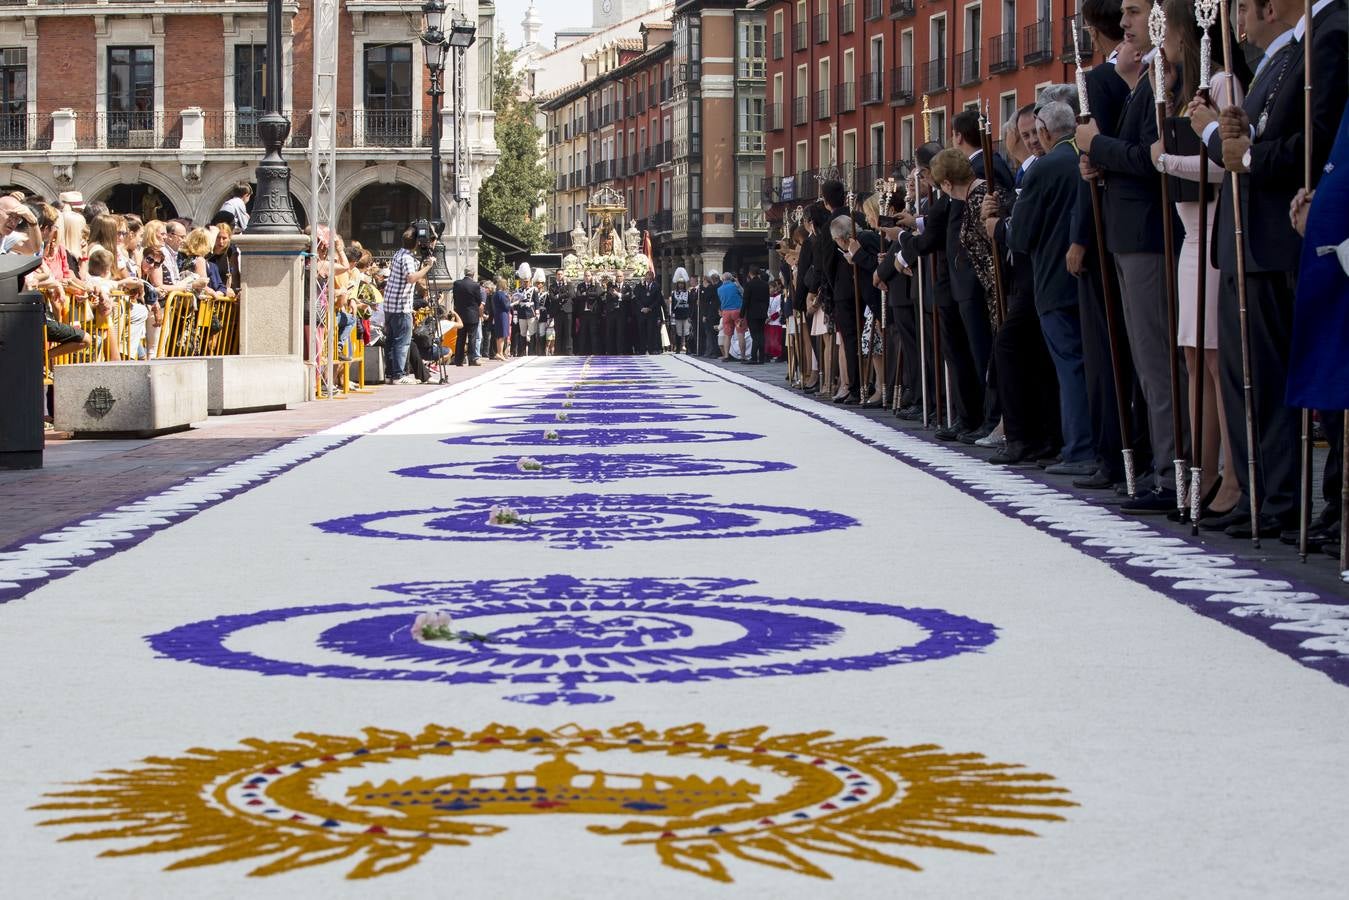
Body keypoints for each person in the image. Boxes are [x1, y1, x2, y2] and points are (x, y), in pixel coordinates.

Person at [1078, 0, 1186, 514]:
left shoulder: (1167, 73)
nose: (1123, 24)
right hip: (1132, 234)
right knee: (1149, 362)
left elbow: (1153, 154)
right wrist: (1099, 161)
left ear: (1161, 15)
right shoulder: (1149, 74)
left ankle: (1172, 472)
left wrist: (1097, 149)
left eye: (1133, 12)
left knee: (1157, 360)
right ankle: (1166, 465)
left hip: (1148, 233)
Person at [1151, 0, 1250, 518]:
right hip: (1190, 234)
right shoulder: (1179, 91)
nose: (1155, 38)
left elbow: (1224, 160)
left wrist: (1163, 160)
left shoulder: (1224, 85)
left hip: (1214, 231)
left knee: (1216, 360)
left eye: (1162, 29)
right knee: (1193, 358)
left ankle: (1232, 476)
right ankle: (1201, 472)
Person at [384, 225, 438, 382]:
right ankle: (399, 375)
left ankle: (390, 374)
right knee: (402, 342)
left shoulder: (399, 254)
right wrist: (428, 266)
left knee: (391, 341)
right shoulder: (407, 258)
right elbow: (411, 277)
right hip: (401, 306)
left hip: (390, 305)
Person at [451, 268, 483, 366]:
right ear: (473, 274)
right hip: (472, 315)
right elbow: (479, 301)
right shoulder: (475, 285)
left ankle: (458, 360)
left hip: (460, 314)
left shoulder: (457, 284)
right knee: (472, 337)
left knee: (460, 337)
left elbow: (455, 298)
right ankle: (472, 359)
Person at [742, 265, 770, 364]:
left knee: (755, 335)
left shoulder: (749, 285)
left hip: (752, 313)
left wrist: (742, 315)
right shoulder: (765, 285)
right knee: (761, 334)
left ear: (750, 274)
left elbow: (745, 300)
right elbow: (767, 300)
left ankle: (754, 357)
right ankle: (761, 357)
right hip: (762, 312)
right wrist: (765, 311)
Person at [716, 271, 744, 361]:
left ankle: (726, 356)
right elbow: (743, 293)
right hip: (737, 311)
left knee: (727, 335)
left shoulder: (719, 289)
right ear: (731, 278)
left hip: (726, 313)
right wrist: (737, 283)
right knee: (740, 333)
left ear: (723, 279)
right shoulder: (735, 286)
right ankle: (743, 356)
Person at [548, 270, 574, 355]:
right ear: (556, 275)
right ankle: (558, 351)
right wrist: (563, 295)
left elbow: (570, 294)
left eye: (561, 274)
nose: (560, 276)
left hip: (567, 311)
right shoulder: (552, 286)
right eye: (558, 274)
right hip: (558, 311)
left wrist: (559, 295)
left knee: (568, 332)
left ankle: (569, 351)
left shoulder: (568, 285)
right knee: (558, 332)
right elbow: (552, 298)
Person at [669, 267, 693, 353]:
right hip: (678, 314)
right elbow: (672, 305)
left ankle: (688, 348)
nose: (681, 285)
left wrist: (690, 314)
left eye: (682, 284)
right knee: (678, 332)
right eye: (679, 283)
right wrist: (672, 313)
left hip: (686, 314)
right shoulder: (674, 293)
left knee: (687, 332)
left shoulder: (687, 293)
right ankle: (678, 348)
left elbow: (690, 304)